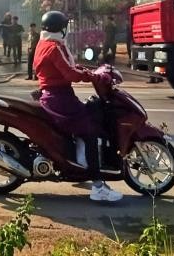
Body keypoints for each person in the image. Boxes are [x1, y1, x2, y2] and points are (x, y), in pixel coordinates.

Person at [34, 10, 123, 202]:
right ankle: (98, 187)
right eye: (65, 26)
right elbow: (70, 75)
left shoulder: (44, 43)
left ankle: (77, 167)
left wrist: (90, 71)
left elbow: (69, 69)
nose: (67, 29)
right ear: (60, 29)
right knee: (90, 131)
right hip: (60, 98)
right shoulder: (54, 47)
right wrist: (96, 76)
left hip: (54, 95)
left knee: (85, 119)